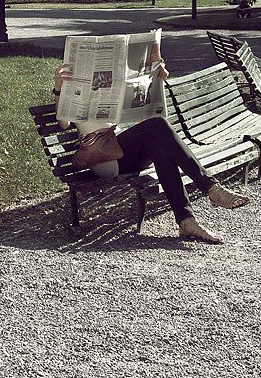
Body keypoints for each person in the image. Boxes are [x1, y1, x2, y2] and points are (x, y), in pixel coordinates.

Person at [53, 50, 250, 244]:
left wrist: (156, 78)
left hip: (124, 151)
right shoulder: (72, 85)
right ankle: (210, 188)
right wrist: (58, 88)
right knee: (157, 125)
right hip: (104, 158)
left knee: (159, 147)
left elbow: (145, 107)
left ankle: (186, 221)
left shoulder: (111, 82)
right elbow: (63, 124)